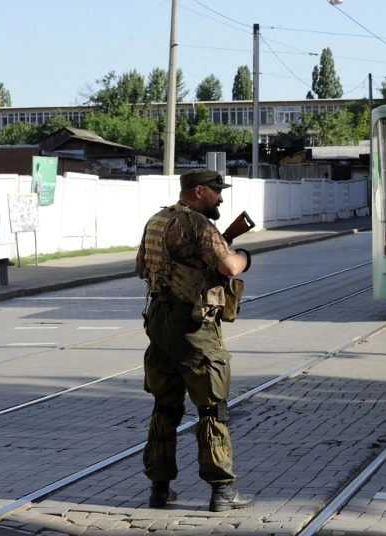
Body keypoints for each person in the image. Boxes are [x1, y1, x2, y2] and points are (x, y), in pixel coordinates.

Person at [135, 169, 255, 512]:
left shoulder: (157, 220)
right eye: (216, 192)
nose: (220, 198)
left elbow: (141, 267)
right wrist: (244, 255)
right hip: (193, 325)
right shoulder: (200, 225)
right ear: (198, 191)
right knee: (212, 407)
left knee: (165, 405)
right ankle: (223, 491)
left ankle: (159, 488)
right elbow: (230, 267)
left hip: (158, 321)